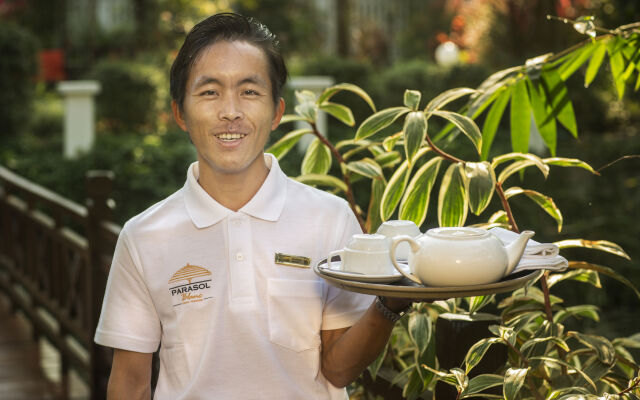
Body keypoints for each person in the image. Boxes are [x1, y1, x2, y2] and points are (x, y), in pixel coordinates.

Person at [94, 12, 412, 399]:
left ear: (277, 112)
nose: (231, 111)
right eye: (209, 92)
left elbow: (339, 369)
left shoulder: (328, 218)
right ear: (180, 114)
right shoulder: (144, 236)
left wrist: (389, 303)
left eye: (249, 91)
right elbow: (129, 382)